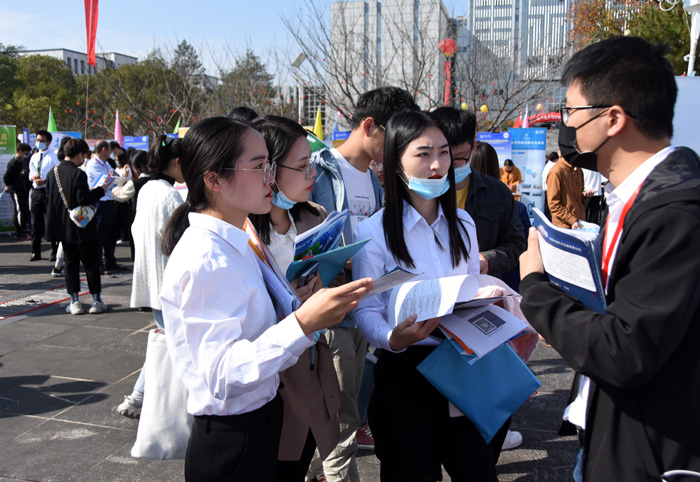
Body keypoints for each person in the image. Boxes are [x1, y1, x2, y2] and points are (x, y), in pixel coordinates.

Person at [519, 36, 700, 481]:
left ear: (613, 118)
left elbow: (624, 350)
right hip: (608, 433)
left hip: (649, 455)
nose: (568, 126)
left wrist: (536, 290)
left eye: (572, 113)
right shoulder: (634, 197)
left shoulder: (677, 215)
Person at [159, 116, 373, 482]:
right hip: (232, 437)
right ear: (213, 180)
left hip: (260, 419)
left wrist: (300, 312)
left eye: (270, 165)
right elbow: (223, 375)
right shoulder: (207, 259)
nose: (269, 178)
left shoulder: (235, 243)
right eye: (258, 166)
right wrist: (304, 322)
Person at [352, 110, 496, 481]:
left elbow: (470, 289)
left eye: (444, 152)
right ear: (395, 162)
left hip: (463, 363)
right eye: (423, 154)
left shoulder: (462, 223)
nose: (437, 165)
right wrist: (391, 338)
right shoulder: (374, 233)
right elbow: (366, 310)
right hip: (406, 373)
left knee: (478, 470)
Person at [308, 87, 418, 482]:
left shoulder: (372, 180)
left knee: (344, 408)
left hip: (362, 310)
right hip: (329, 313)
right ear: (369, 126)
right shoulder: (319, 171)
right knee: (340, 417)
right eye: (394, 138)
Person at [249, 116, 343, 482]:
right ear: (269, 170)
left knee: (301, 457)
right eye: (303, 167)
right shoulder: (242, 233)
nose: (312, 176)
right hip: (268, 378)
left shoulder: (314, 217)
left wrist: (325, 290)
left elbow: (332, 280)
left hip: (311, 367)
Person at [430, 107, 526, 455]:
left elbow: (517, 243)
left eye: (458, 157)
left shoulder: (496, 194)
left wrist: (487, 260)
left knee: (479, 407)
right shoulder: (422, 190)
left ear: (473, 148)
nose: (448, 166)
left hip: (479, 309)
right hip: (431, 316)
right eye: (441, 154)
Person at [116, 135, 185, 419]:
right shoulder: (168, 195)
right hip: (166, 280)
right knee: (168, 342)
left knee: (167, 340)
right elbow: (175, 243)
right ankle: (138, 397)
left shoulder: (148, 189)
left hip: (151, 279)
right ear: (177, 163)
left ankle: (138, 397)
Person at [45, 139, 112, 315]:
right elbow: (84, 199)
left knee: (70, 264)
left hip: (63, 226)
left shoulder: (53, 173)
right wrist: (101, 190)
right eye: (84, 155)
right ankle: (96, 301)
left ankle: (74, 302)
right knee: (90, 263)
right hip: (83, 225)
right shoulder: (78, 174)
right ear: (80, 154)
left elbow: (50, 200)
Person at [85, 140, 123, 273]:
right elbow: (104, 182)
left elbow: (114, 178)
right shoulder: (92, 164)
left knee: (111, 235)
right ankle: (97, 263)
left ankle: (110, 261)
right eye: (109, 149)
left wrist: (113, 178)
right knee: (99, 235)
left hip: (109, 201)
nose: (111, 152)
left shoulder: (106, 163)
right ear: (103, 150)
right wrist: (112, 178)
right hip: (100, 202)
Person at [28, 130, 60, 261]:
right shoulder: (34, 156)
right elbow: (30, 172)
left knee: (51, 221)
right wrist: (33, 178)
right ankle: (35, 252)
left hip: (48, 192)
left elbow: (57, 175)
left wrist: (45, 181)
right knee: (36, 223)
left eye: (41, 140)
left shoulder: (53, 157)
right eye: (37, 140)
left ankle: (54, 252)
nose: (39, 143)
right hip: (36, 191)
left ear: (48, 142)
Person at [547, 148, 585, 229]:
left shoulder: (578, 170)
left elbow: (579, 198)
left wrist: (585, 195)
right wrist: (571, 220)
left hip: (579, 224)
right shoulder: (556, 171)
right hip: (564, 226)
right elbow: (554, 204)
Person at [4, 142, 31, 239]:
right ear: (20, 152)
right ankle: (21, 230)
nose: (27, 155)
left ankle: (20, 229)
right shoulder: (13, 162)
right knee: (20, 210)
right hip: (15, 190)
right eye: (26, 153)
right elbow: (7, 176)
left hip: (21, 189)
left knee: (20, 209)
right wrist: (8, 185)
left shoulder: (21, 162)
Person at [542, 151, 559, 220]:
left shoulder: (547, 164)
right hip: (550, 188)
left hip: (546, 188)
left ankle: (547, 219)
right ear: (556, 159)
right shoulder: (553, 166)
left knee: (547, 205)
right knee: (550, 206)